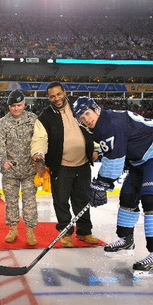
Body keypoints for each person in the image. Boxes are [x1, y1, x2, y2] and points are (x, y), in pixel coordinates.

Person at [72, 96, 153, 277]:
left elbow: (114, 162)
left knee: (152, 199)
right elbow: (113, 155)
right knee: (128, 195)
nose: (86, 119)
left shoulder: (110, 124)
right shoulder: (101, 126)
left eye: (87, 113)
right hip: (140, 159)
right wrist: (102, 183)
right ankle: (126, 240)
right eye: (81, 118)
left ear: (96, 109)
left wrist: (101, 184)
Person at [30, 81, 99, 248]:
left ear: (64, 92)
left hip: (83, 164)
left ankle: (84, 232)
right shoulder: (45, 117)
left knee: (82, 199)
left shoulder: (78, 106)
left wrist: (96, 147)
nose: (56, 98)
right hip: (61, 166)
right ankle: (65, 233)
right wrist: (38, 154)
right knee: (60, 201)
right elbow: (39, 139)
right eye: (52, 96)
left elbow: (94, 125)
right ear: (49, 98)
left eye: (59, 94)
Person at [0, 90, 38, 246]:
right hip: (10, 171)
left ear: (24, 104)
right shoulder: (3, 123)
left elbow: (40, 140)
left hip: (29, 170)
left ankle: (30, 231)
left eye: (19, 105)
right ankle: (13, 229)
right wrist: (2, 160)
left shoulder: (33, 120)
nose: (16, 109)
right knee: (11, 202)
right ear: (9, 106)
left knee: (29, 201)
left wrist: (40, 160)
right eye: (13, 106)